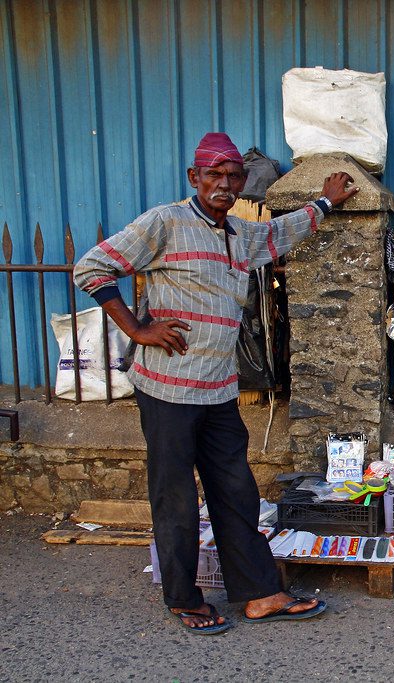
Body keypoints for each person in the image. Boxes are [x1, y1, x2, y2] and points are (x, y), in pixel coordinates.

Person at [73, 133, 358, 635]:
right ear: (194, 178)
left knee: (236, 494)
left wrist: (325, 203)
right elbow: (91, 268)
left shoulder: (239, 235)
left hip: (219, 393)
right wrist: (138, 329)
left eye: (232, 177)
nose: (223, 185)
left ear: (242, 182)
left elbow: (281, 234)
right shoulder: (165, 223)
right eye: (213, 175)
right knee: (177, 499)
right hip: (167, 393)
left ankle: (259, 594)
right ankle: (184, 598)